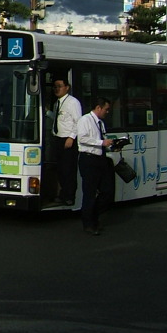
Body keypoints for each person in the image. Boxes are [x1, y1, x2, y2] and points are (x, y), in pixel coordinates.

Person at [76, 97, 115, 236]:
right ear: (98, 108)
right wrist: (101, 143)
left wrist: (111, 147)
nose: (107, 112)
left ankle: (94, 215)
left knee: (107, 191)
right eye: (106, 109)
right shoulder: (85, 120)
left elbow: (101, 141)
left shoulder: (101, 123)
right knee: (90, 193)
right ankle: (89, 223)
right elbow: (82, 139)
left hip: (100, 159)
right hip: (88, 159)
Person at [50, 79, 82, 204]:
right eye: (55, 87)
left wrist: (71, 137)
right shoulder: (57, 103)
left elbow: (78, 121)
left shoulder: (72, 102)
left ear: (67, 88)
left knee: (69, 169)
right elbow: (59, 119)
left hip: (68, 139)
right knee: (60, 169)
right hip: (58, 138)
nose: (57, 89)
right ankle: (63, 194)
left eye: (59, 86)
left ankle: (69, 196)